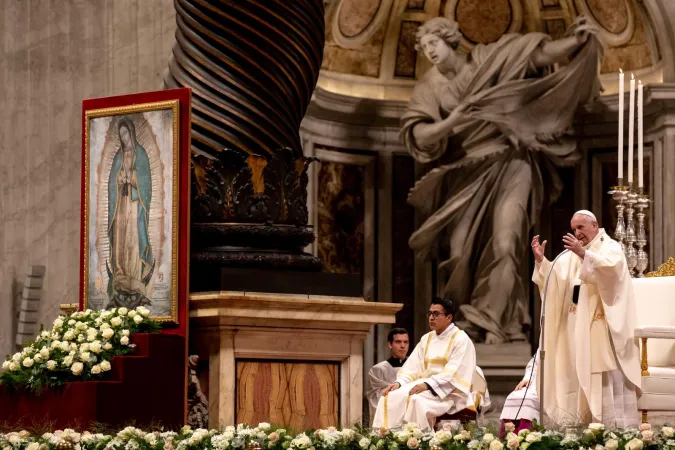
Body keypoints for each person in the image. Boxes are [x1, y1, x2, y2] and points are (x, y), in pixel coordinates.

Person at [401, 16, 603, 344]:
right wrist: (453, 120)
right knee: (457, 253)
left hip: (512, 162)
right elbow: (419, 134)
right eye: (424, 48)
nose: (430, 52)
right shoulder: (431, 87)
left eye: (433, 44)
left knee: (507, 242)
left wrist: (575, 42)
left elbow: (535, 55)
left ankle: (496, 322)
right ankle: (466, 326)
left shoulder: (487, 58)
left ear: (449, 39)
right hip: (465, 172)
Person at [532, 210, 641, 427]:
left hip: (598, 326)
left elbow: (613, 272)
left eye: (580, 227)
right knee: (572, 375)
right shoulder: (569, 255)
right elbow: (555, 282)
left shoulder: (610, 247)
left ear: (595, 225)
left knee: (597, 376)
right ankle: (575, 425)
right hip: (573, 327)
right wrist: (542, 262)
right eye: (573, 229)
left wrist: (584, 255)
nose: (577, 233)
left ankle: (606, 428)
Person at [372, 297, 476, 430]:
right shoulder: (427, 338)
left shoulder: (461, 339)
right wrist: (399, 383)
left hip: (449, 391)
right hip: (425, 386)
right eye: (430, 313)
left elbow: (454, 373)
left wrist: (428, 384)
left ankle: (417, 441)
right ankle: (387, 441)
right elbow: (412, 367)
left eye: (436, 314)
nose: (431, 318)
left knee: (416, 401)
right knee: (389, 396)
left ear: (449, 317)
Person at [107, 118, 155, 308]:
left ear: (132, 133)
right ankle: (120, 277)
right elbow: (112, 183)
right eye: (121, 134)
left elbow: (147, 183)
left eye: (126, 133)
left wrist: (133, 178)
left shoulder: (141, 154)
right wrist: (119, 178)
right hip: (121, 205)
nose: (123, 137)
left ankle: (134, 278)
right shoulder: (118, 157)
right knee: (120, 239)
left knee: (133, 239)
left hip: (134, 204)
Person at [366, 328, 410, 423]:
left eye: (405, 342)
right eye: (398, 342)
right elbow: (374, 397)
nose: (403, 346)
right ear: (390, 344)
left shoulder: (415, 367)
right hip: (389, 417)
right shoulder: (378, 370)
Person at [499, 350, 540, 437]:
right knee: (513, 397)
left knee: (529, 400)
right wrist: (528, 378)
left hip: (555, 386)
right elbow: (534, 364)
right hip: (536, 383)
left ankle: (528, 439)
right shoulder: (544, 340)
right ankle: (510, 440)